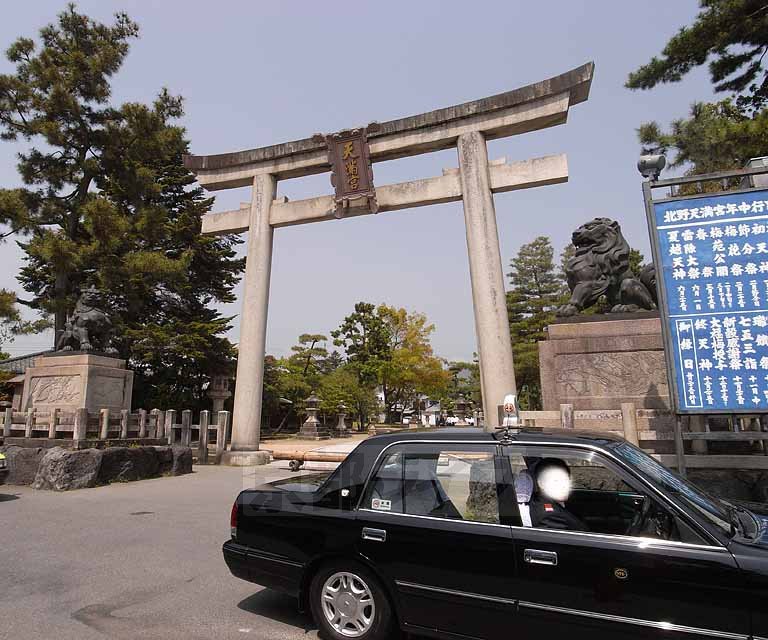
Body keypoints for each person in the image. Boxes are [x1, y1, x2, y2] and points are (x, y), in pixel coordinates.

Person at [529, 458, 589, 532]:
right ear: (541, 484)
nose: (564, 485)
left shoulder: (551, 502)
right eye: (556, 481)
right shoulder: (550, 516)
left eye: (566, 479)